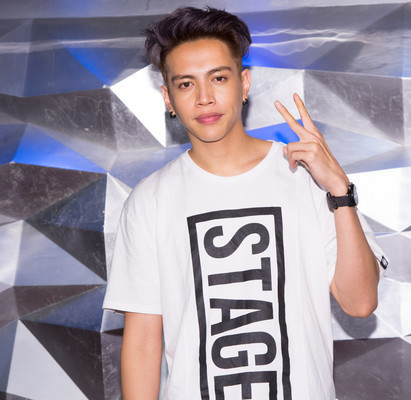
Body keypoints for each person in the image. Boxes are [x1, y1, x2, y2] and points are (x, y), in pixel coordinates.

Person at [103, 6, 387, 400]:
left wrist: (339, 189)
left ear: (245, 83)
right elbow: (142, 344)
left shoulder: (305, 177)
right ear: (168, 97)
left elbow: (360, 303)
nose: (205, 98)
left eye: (218, 78)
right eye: (186, 84)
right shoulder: (150, 200)